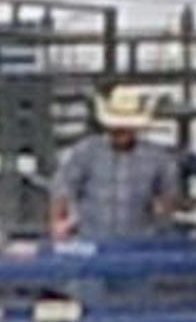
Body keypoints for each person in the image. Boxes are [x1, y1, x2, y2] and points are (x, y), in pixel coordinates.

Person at [50, 86, 182, 243]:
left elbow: (168, 195)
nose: (120, 129)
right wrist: (59, 223)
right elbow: (62, 188)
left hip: (140, 241)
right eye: (116, 125)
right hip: (92, 238)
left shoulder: (157, 157)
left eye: (126, 126)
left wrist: (163, 217)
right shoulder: (86, 151)